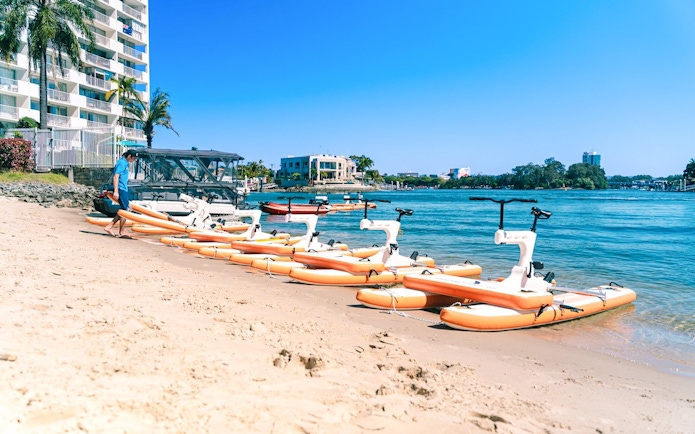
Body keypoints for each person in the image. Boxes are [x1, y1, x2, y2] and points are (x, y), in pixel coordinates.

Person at [104, 150, 138, 238]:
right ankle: (121, 232)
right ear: (129, 156)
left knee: (124, 209)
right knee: (125, 210)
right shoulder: (122, 163)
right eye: (134, 158)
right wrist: (116, 191)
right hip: (120, 189)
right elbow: (116, 176)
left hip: (123, 188)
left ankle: (110, 226)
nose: (134, 160)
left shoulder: (125, 163)